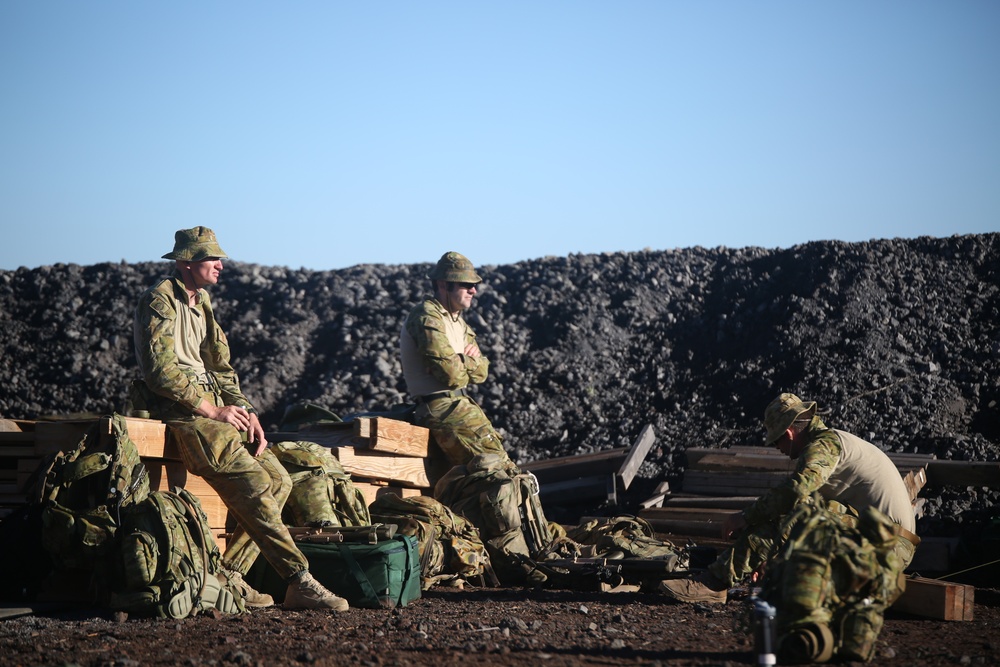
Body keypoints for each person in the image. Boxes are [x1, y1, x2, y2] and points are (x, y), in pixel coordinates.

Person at [130, 226, 349, 611]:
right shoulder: (159, 302)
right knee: (255, 486)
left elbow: (222, 368)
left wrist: (247, 413)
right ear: (186, 263)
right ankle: (299, 580)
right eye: (211, 259)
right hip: (188, 415)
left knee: (279, 481)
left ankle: (228, 575)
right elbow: (160, 373)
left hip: (218, 412)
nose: (219, 265)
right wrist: (213, 410)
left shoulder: (203, 302)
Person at [660, 392, 919, 604]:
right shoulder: (831, 447)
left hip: (889, 547)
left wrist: (744, 517)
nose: (780, 450)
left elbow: (795, 493)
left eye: (776, 443)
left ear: (789, 434)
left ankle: (714, 583)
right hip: (881, 543)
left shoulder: (824, 446)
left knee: (797, 509)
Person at [399, 251, 514, 471]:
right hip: (442, 408)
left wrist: (462, 361)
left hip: (461, 406)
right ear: (443, 284)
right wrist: (468, 360)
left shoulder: (457, 322)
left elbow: (482, 372)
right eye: (465, 284)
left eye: (474, 284)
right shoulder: (427, 317)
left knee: (504, 470)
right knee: (494, 471)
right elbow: (451, 376)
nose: (473, 290)